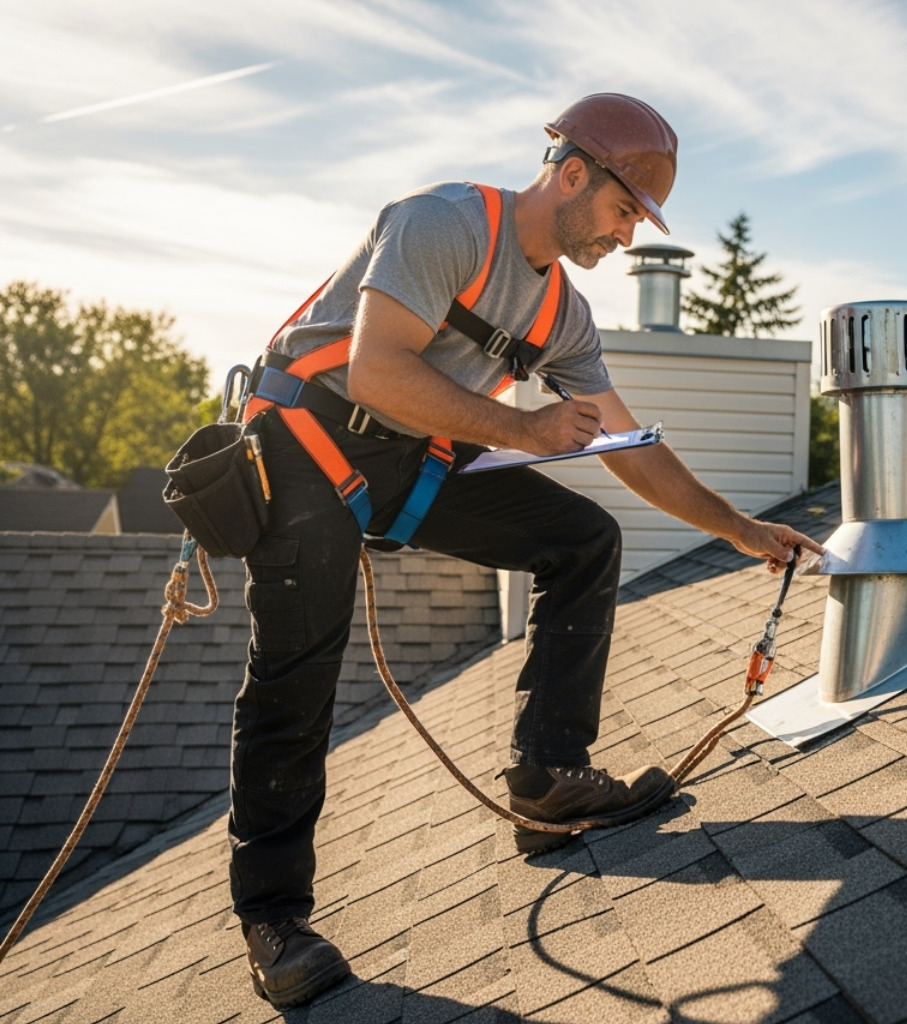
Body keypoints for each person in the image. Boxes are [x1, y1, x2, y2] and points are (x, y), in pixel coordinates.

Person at [232, 93, 821, 1008]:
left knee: (583, 538)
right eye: (626, 210)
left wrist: (741, 529)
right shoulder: (443, 224)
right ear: (573, 172)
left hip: (410, 455)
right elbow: (376, 369)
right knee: (297, 670)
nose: (628, 238)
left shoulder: (564, 315)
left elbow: (631, 448)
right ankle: (274, 921)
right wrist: (523, 424)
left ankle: (548, 778)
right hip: (306, 442)